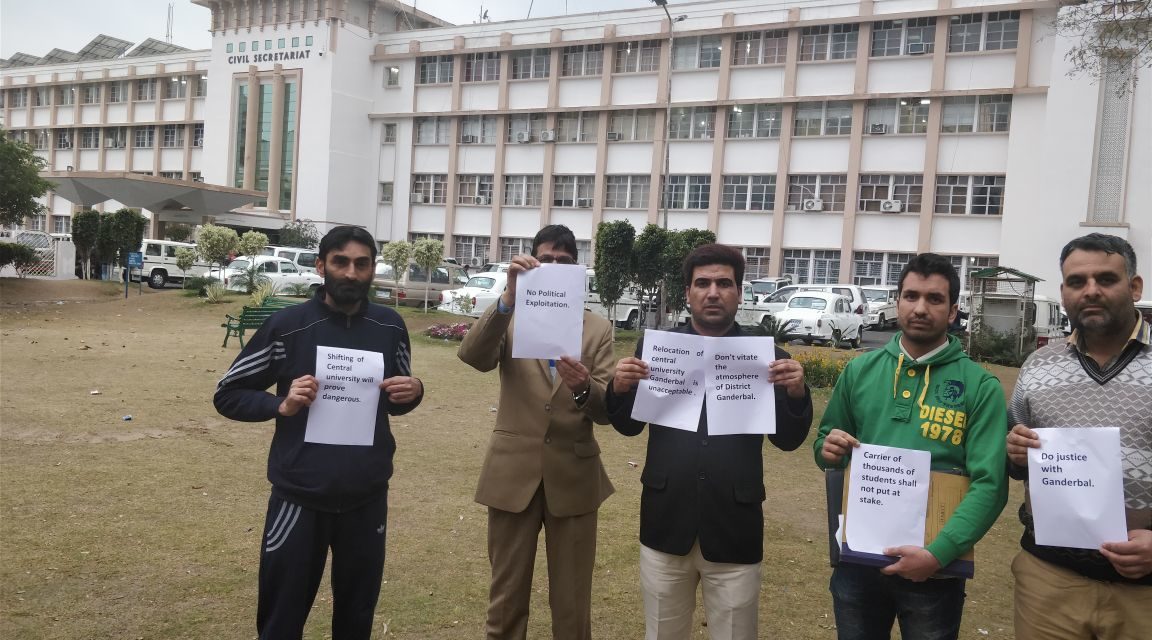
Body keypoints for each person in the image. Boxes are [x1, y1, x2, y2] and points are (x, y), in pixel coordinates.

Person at [214, 226, 424, 639]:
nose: (351, 273)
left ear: (372, 269)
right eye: (341, 262)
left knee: (356, 617)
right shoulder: (287, 327)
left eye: (361, 264)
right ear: (321, 265)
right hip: (299, 498)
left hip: (366, 499)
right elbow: (229, 394)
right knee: (281, 619)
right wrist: (280, 404)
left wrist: (413, 391)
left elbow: (396, 397)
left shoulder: (389, 326)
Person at [606, 243, 813, 640]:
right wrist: (618, 388)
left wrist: (798, 393)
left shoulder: (769, 358)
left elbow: (788, 441)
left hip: (735, 527)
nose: (713, 292)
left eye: (724, 283)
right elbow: (628, 428)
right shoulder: (657, 351)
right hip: (666, 523)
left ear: (739, 291)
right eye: (702, 283)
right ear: (688, 293)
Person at [813, 252, 1008, 640]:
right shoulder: (860, 369)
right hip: (857, 560)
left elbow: (991, 484)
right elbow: (826, 444)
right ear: (897, 301)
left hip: (935, 568)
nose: (920, 308)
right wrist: (828, 449)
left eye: (934, 299)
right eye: (911, 296)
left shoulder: (980, 386)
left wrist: (938, 553)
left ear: (953, 311)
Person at [457, 224, 615, 640]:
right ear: (530, 263)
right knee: (506, 599)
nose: (554, 267)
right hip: (512, 475)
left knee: (572, 604)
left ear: (576, 269)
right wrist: (508, 297)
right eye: (545, 260)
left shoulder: (597, 328)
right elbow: (473, 356)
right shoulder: (510, 317)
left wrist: (583, 386)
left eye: (564, 262)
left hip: (575, 477)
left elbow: (607, 411)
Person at [1006, 233, 1151, 639]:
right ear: (1064, 292)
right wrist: (1015, 452)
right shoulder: (1038, 364)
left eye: (1106, 279)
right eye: (1076, 281)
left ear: (1134, 287)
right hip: (1049, 582)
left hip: (1143, 597)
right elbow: (1013, 455)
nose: (1091, 291)